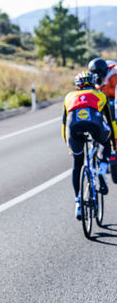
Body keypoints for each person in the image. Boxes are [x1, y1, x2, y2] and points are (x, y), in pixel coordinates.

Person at [62, 72, 116, 219]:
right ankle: (102, 169)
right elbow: (111, 121)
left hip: (73, 127)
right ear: (93, 83)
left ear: (77, 86)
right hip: (95, 123)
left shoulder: (69, 96)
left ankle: (78, 203)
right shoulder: (100, 94)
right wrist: (114, 142)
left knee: (77, 163)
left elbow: (64, 125)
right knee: (105, 140)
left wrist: (69, 145)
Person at [88, 58, 117, 146]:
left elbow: (114, 92)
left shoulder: (114, 75)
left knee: (113, 116)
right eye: (94, 73)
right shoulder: (96, 79)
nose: (96, 75)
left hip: (113, 100)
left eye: (97, 72)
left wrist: (103, 88)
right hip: (105, 100)